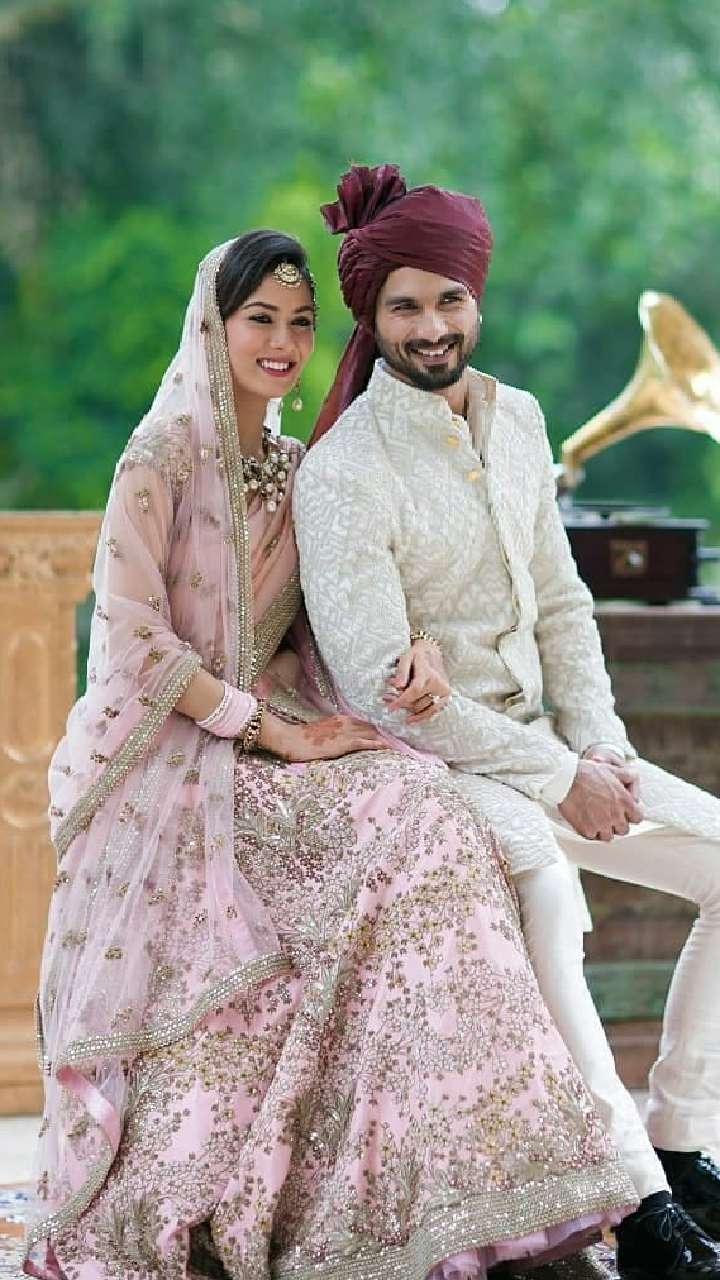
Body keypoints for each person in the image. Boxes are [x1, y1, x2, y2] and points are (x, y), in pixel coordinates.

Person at [24, 231, 635, 1280]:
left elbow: (329, 628)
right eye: (259, 317)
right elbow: (132, 645)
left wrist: (419, 663)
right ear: (213, 325)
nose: (282, 340)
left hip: (281, 733)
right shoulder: (158, 460)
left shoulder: (298, 465)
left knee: (426, 805)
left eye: (301, 322)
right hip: (169, 760)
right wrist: (279, 733)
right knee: (409, 819)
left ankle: (453, 1181)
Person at [292, 164, 720, 1280]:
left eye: (448, 301)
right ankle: (634, 1198)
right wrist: (552, 771)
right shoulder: (341, 472)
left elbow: (565, 602)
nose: (431, 326)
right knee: (546, 876)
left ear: (476, 300)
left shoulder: (521, 417)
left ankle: (684, 1136)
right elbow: (388, 684)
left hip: (562, 743)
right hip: (444, 763)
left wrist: (605, 747)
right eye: (404, 306)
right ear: (371, 315)